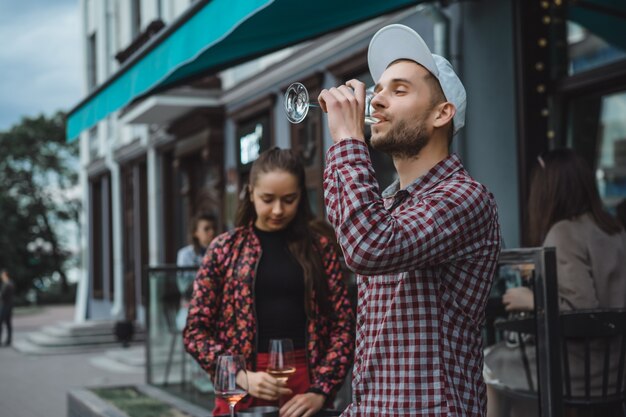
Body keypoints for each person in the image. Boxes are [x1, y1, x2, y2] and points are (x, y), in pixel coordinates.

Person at [318, 24, 501, 416]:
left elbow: (368, 247)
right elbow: (348, 227)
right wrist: (342, 143)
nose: (377, 101)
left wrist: (349, 141)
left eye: (399, 90)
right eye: (379, 90)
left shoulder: (466, 197)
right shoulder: (385, 203)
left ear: (442, 113)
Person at [183, 148, 355, 417]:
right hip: (241, 388)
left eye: (289, 199)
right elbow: (195, 332)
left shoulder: (320, 249)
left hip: (305, 384)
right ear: (250, 193)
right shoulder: (224, 249)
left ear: (301, 196)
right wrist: (240, 375)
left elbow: (344, 326)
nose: (278, 210)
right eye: (267, 199)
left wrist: (320, 390)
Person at [484, 149, 626, 415]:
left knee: (487, 362)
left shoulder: (564, 233)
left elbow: (582, 311)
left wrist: (530, 298)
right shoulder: (613, 230)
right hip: (616, 369)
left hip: (580, 371)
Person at [0, 269, 15, 346]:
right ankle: (8, 340)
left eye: (2, 274)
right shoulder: (4, 284)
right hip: (5, 305)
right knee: (6, 323)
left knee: (6, 323)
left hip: (7, 306)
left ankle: (8, 340)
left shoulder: (9, 283)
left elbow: (4, 294)